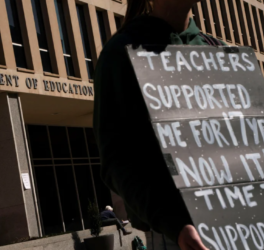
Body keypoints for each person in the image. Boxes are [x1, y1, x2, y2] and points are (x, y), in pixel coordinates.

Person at [93, 0, 226, 249]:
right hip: (178, 238)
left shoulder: (218, 51)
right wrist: (175, 224)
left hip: (245, 227)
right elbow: (118, 160)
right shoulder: (121, 52)